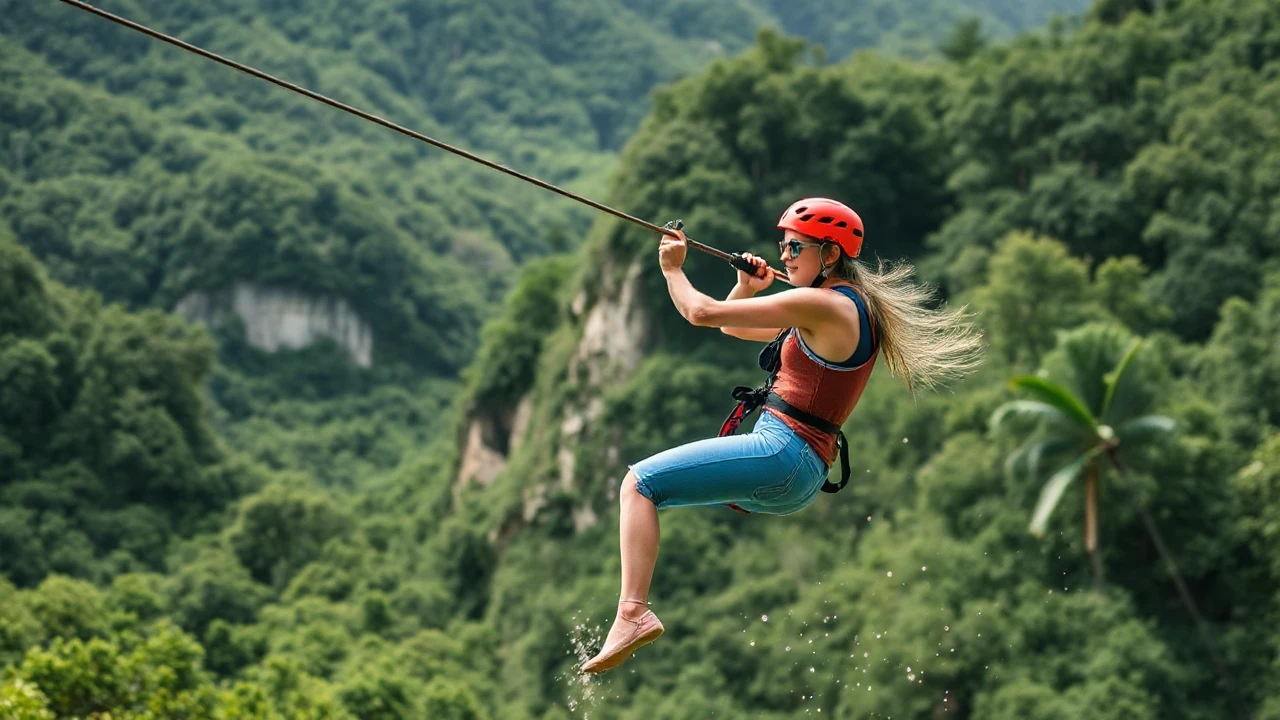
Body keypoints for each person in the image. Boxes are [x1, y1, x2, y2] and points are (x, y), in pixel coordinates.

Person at [578, 198, 984, 675]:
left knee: (639, 484)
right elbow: (730, 323)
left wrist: (672, 269)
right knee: (650, 490)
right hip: (800, 470)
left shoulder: (821, 305)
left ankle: (632, 612)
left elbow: (700, 313)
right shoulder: (840, 308)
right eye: (782, 246)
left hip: (782, 452)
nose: (784, 256)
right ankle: (632, 612)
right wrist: (745, 288)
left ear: (830, 255)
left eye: (795, 247)